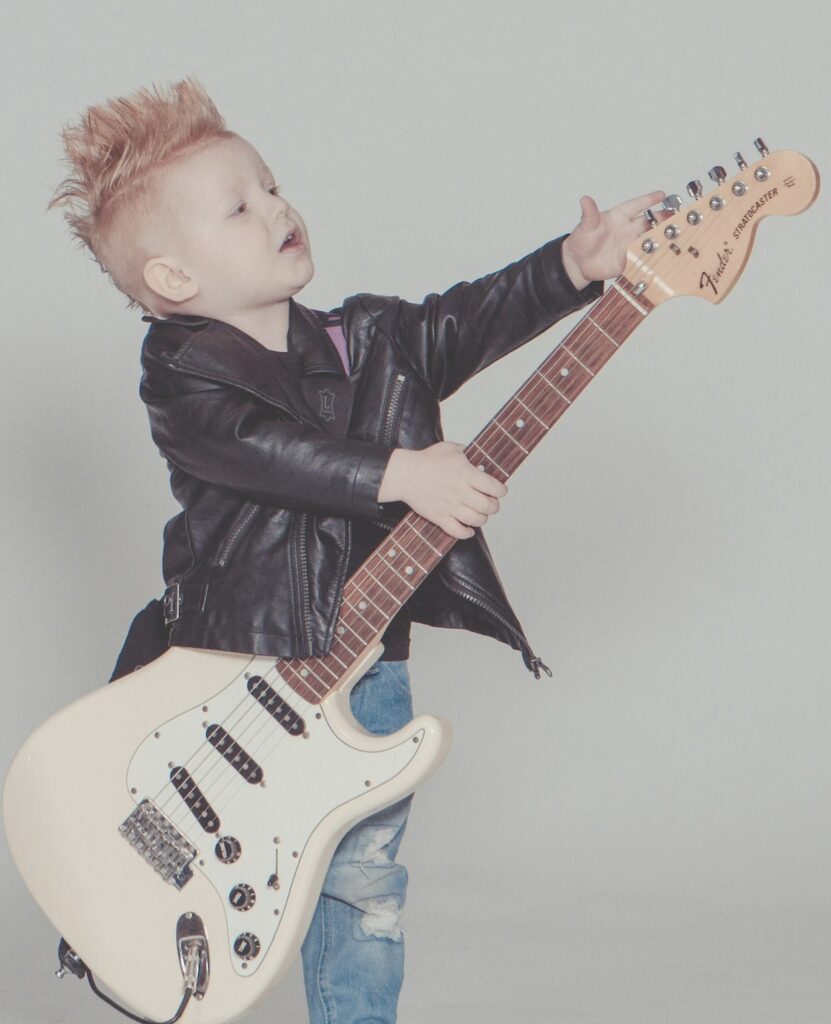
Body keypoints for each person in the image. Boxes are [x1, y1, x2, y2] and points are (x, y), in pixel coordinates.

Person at [50, 78, 663, 1024]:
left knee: (363, 886)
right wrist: (402, 475)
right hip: (231, 671)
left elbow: (465, 319)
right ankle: (142, 944)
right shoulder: (180, 374)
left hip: (367, 667)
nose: (277, 208)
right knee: (226, 883)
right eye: (240, 207)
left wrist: (572, 268)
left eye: (272, 185)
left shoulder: (369, 336)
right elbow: (259, 447)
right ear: (173, 278)